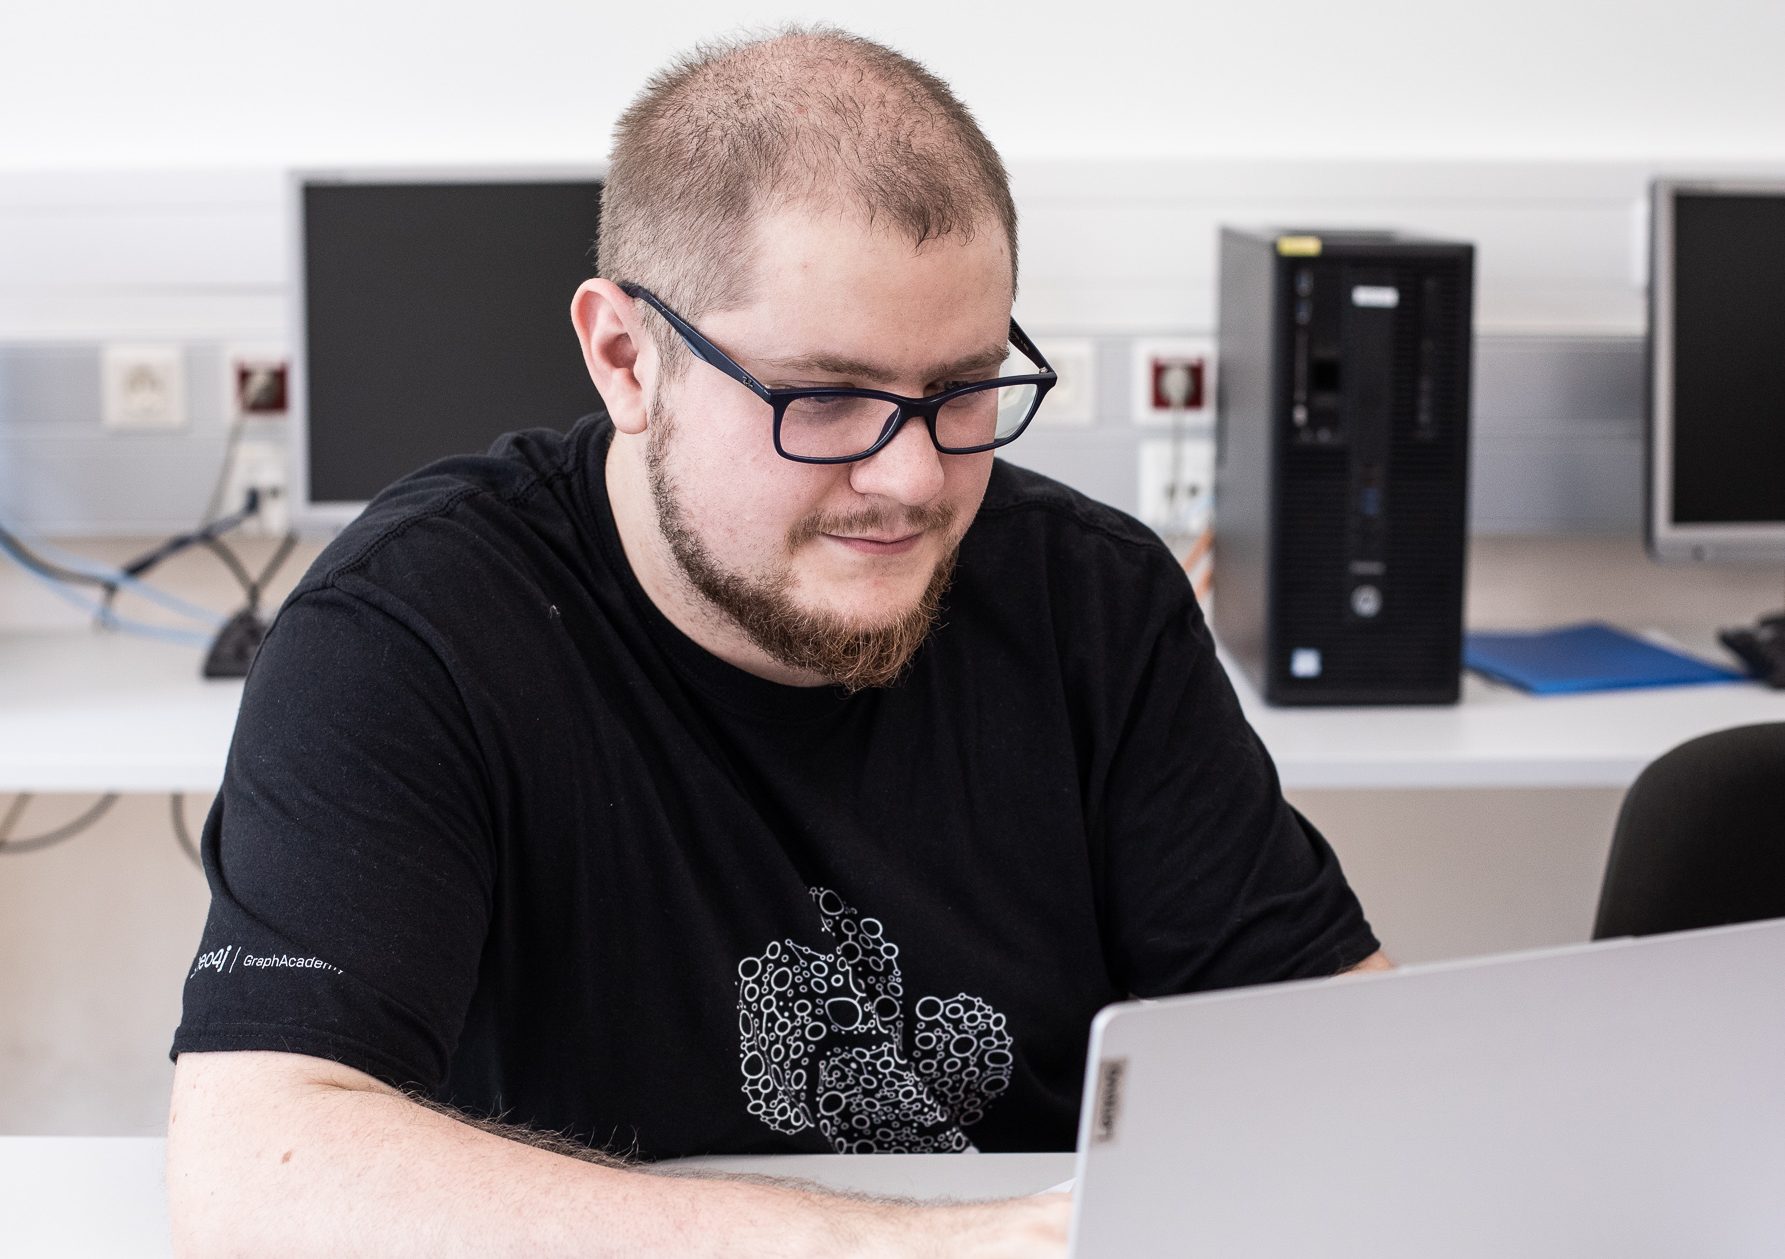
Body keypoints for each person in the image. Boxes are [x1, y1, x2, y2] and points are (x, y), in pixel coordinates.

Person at [166, 24, 1387, 1257]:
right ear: (625, 358)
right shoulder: (411, 632)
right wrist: (901, 1246)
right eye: (827, 398)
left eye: (961, 388)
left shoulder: (1096, 603)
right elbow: (254, 1175)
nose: (911, 477)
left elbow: (1346, 1063)